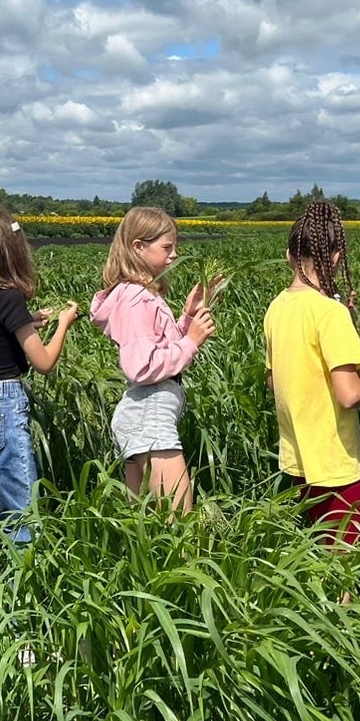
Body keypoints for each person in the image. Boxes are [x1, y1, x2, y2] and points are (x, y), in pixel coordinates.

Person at [0, 208, 80, 576]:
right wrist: (62, 325)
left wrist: (29, 321)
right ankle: (20, 614)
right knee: (23, 518)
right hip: (3, 405)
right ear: (10, 251)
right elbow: (43, 362)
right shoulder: (10, 299)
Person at [263, 201, 360, 547]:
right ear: (334, 257)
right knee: (344, 561)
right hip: (335, 459)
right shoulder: (329, 313)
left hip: (299, 457)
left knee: (319, 550)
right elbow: (349, 394)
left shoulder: (277, 307)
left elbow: (274, 381)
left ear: (289, 255)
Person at [89, 206, 215, 513]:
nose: (174, 255)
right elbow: (142, 366)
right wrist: (191, 342)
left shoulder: (142, 294)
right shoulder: (136, 299)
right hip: (150, 414)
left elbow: (158, 348)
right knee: (180, 522)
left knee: (147, 526)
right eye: (167, 247)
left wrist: (187, 317)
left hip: (144, 414)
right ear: (138, 247)